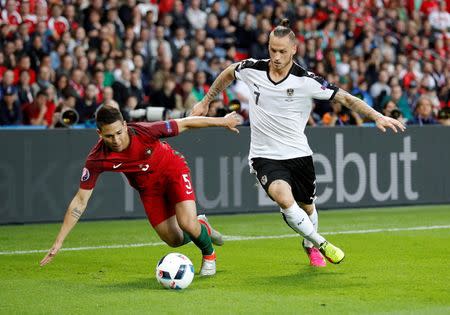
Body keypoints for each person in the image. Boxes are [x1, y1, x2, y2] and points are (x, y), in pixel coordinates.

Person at [191, 19, 405, 267]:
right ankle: (321, 243)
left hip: (298, 154)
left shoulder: (306, 80)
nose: (277, 56)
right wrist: (207, 100)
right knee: (282, 197)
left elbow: (346, 99)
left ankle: (308, 243)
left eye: (282, 51)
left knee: (308, 207)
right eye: (272, 50)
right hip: (264, 155)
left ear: (294, 49)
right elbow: (229, 72)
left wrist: (377, 116)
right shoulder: (253, 69)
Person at [40, 106, 241, 276]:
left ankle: (209, 254)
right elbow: (80, 201)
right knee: (173, 240)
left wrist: (223, 121)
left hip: (173, 171)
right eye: (109, 136)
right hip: (148, 190)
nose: (116, 140)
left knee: (186, 222)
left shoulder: (145, 131)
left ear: (125, 126)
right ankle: (202, 227)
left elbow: (186, 123)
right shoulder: (96, 159)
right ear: (99, 134)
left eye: (119, 133)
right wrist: (59, 241)